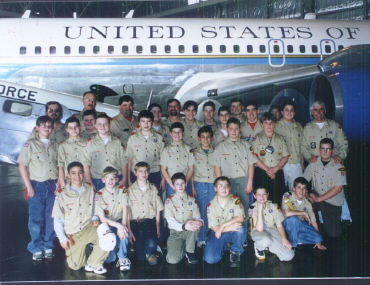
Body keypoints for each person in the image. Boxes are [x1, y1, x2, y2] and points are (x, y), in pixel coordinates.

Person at [52, 161, 109, 274]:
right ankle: (82, 250)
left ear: (83, 174)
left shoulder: (89, 189)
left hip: (88, 228)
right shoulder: (61, 194)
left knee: (108, 238)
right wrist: (62, 238)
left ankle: (93, 263)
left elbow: (94, 209)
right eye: (73, 173)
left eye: (80, 173)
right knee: (75, 266)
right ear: (68, 175)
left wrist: (95, 220)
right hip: (73, 234)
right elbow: (57, 219)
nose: (77, 176)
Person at [17, 115, 59, 261]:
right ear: (37, 127)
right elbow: (22, 165)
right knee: (36, 218)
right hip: (37, 185)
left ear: (52, 128)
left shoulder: (55, 144)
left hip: (53, 185)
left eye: (49, 126)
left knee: (51, 217)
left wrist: (59, 182)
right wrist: (28, 186)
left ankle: (48, 245)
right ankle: (36, 247)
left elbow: (60, 164)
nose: (47, 128)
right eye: (43, 125)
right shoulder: (30, 144)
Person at [212, 117, 257, 227]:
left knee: (245, 206)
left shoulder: (246, 145)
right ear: (227, 129)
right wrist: (220, 186)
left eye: (236, 129)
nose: (234, 131)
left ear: (239, 130)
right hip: (228, 183)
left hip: (243, 181)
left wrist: (250, 182)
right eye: (231, 129)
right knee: (228, 208)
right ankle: (229, 232)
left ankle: (244, 235)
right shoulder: (220, 147)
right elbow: (217, 167)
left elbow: (251, 164)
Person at [303, 138, 347, 238]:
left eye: (328, 149)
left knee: (334, 234)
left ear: (332, 151)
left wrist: (319, 199)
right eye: (322, 149)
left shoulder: (339, 166)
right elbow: (303, 181)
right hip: (316, 195)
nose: (325, 152)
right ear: (319, 150)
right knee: (305, 206)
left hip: (332, 200)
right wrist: (306, 195)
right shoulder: (313, 163)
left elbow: (338, 188)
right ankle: (310, 231)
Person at [203, 176, 246, 268]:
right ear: (215, 189)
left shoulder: (235, 200)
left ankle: (235, 251)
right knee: (210, 259)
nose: (224, 188)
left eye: (226, 186)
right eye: (220, 186)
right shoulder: (211, 205)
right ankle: (224, 246)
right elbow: (214, 227)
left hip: (228, 231)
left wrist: (223, 226)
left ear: (229, 188)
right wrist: (227, 228)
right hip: (217, 233)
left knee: (240, 229)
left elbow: (240, 218)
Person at [94, 167, 131, 271]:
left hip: (119, 220)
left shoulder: (122, 190)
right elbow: (102, 218)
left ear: (117, 180)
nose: (110, 181)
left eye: (113, 178)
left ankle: (122, 257)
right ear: (103, 180)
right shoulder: (98, 195)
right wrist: (118, 226)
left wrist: (122, 226)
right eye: (107, 178)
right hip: (107, 224)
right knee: (110, 259)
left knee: (124, 233)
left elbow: (125, 209)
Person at [127, 162, 164, 266]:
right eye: (141, 171)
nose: (144, 173)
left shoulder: (153, 188)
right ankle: (147, 250)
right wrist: (129, 230)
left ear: (148, 173)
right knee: (140, 257)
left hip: (149, 222)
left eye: (146, 171)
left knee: (151, 242)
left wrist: (157, 227)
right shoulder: (130, 190)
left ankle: (151, 249)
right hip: (136, 223)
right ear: (135, 173)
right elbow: (128, 212)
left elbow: (157, 210)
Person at [82, 113, 127, 191]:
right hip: (98, 180)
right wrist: (89, 181)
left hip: (116, 179)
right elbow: (86, 164)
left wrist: (124, 178)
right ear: (95, 125)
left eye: (105, 124)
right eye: (99, 124)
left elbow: (124, 161)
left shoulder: (117, 142)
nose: (102, 127)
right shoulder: (90, 143)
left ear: (109, 125)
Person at [165, 173, 202, 264]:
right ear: (173, 186)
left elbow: (198, 218)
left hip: (190, 232)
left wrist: (200, 223)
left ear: (186, 184)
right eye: (177, 184)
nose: (180, 186)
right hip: (176, 233)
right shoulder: (169, 201)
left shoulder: (192, 200)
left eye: (182, 183)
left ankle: (190, 251)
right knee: (172, 260)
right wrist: (184, 226)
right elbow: (170, 221)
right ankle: (182, 249)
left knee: (194, 223)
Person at [252, 112, 289, 203]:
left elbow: (285, 156)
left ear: (275, 124)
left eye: (271, 123)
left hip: (277, 172)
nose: (269, 125)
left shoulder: (280, 138)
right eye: (266, 123)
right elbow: (254, 156)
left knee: (278, 199)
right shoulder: (257, 138)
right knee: (262, 199)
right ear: (261, 125)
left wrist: (275, 169)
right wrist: (268, 170)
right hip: (262, 172)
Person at [250, 187, 294, 262]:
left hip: (272, 231)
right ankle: (259, 247)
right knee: (265, 239)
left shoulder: (274, 206)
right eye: (259, 195)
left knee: (289, 255)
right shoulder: (252, 208)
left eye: (264, 194)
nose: (262, 197)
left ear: (267, 195)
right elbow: (259, 229)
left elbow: (279, 225)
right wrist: (260, 210)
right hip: (258, 232)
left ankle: (268, 246)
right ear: (254, 196)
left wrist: (284, 239)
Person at [281, 177, 326, 250]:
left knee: (318, 238)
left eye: (304, 188)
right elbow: (287, 213)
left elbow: (314, 222)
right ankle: (293, 245)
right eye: (299, 187)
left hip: (300, 224)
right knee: (293, 219)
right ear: (293, 189)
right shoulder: (287, 196)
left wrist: (319, 242)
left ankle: (293, 238)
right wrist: (303, 213)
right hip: (287, 224)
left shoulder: (307, 203)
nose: (301, 190)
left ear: (306, 190)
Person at [126, 110, 165, 190]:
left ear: (152, 122)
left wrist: (163, 179)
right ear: (139, 123)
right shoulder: (133, 138)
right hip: (137, 174)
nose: (146, 124)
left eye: (148, 121)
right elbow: (130, 159)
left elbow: (163, 161)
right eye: (143, 121)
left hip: (154, 173)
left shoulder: (159, 138)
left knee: (155, 199)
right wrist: (129, 179)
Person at [191, 126, 216, 246]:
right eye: (203, 137)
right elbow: (191, 171)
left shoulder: (216, 151)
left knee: (211, 211)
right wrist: (192, 187)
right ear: (198, 139)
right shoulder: (194, 152)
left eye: (208, 137)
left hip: (212, 184)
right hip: (199, 184)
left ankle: (212, 236)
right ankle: (201, 237)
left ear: (212, 138)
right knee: (200, 210)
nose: (205, 140)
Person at [160, 122, 195, 198]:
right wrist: (172, 185)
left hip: (185, 183)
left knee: (186, 205)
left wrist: (185, 183)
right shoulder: (166, 150)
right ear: (171, 134)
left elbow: (191, 169)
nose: (177, 134)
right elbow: (163, 170)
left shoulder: (189, 149)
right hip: (171, 184)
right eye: (174, 132)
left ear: (183, 133)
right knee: (171, 205)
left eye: (179, 132)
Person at [274, 101, 304, 191]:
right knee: (280, 191)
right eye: (286, 110)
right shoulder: (276, 126)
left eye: (291, 110)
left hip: (296, 163)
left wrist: (302, 164)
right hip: (280, 164)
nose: (289, 112)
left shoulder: (298, 126)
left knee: (297, 191)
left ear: (294, 113)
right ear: (282, 112)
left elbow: (301, 146)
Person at [58, 116, 87, 189]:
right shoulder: (63, 146)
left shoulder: (88, 143)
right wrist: (62, 183)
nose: (74, 130)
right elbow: (61, 166)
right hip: (69, 181)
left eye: (76, 127)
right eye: (70, 128)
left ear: (80, 127)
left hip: (85, 180)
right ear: (67, 130)